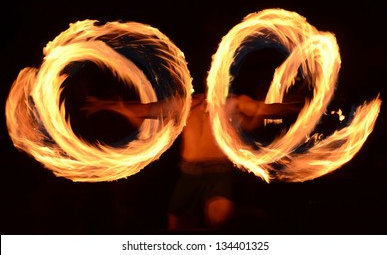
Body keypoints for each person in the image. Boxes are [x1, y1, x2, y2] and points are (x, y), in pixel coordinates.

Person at [81, 90, 304, 231]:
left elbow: (262, 109)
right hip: (189, 174)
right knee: (176, 232)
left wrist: (297, 107)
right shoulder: (184, 105)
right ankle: (245, 213)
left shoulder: (232, 104)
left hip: (218, 173)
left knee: (220, 226)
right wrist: (108, 105)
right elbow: (145, 110)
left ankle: (244, 217)